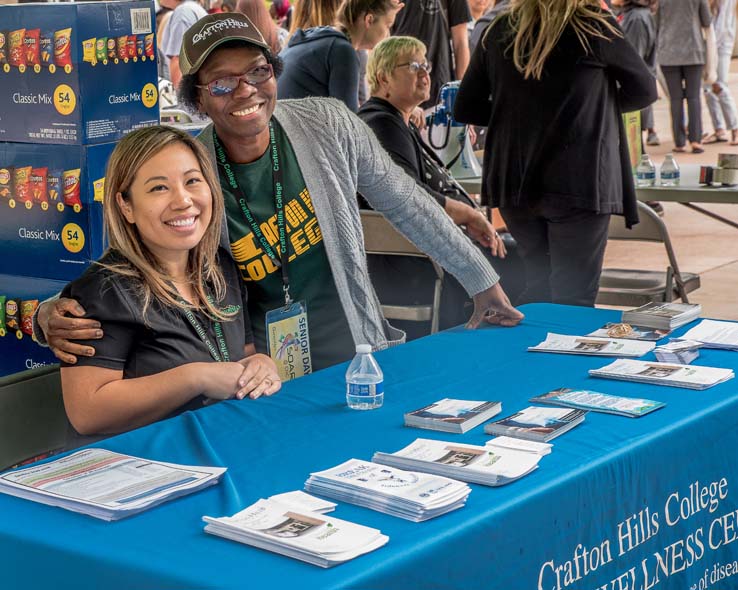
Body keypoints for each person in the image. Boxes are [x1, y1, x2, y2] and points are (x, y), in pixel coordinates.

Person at [36, 13, 523, 377]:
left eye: (257, 72)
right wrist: (48, 313)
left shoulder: (328, 123)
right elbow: (135, 259)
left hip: (356, 353)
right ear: (198, 98)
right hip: (258, 374)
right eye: (223, 83)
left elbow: (405, 201)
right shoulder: (190, 169)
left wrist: (481, 281)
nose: (245, 91)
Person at [59, 125, 281, 441]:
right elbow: (87, 412)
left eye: (192, 181)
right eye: (159, 188)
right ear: (126, 206)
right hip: (135, 467)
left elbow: (237, 356)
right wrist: (194, 378)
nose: (183, 201)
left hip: (217, 445)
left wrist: (259, 364)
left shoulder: (220, 267)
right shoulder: (104, 290)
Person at [454, 0, 656, 307]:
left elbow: (466, 106)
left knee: (536, 288)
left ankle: (529, 353)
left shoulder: (501, 30)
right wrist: (595, 108)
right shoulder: (592, 26)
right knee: (573, 298)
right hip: (579, 180)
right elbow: (644, 89)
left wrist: (516, 112)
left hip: (515, 181)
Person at [358, 35, 524, 334]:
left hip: (431, 255)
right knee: (528, 258)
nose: (425, 73)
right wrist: (470, 214)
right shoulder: (381, 123)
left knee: (521, 249)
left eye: (426, 64)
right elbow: (407, 194)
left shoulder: (395, 120)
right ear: (383, 77)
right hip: (418, 265)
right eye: (413, 66)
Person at [278, 0, 401, 112]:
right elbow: (349, 125)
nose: (388, 34)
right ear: (369, 20)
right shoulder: (342, 51)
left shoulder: (321, 38)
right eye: (388, 25)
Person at [391, 0, 472, 109]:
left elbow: (461, 43)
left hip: (439, 84)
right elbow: (381, 36)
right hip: (400, 85)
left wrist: (463, 95)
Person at [656, 0, 712, 153]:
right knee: (693, 97)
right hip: (693, 51)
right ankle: (696, 140)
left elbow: (657, 24)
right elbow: (707, 20)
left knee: (675, 99)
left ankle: (679, 142)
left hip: (668, 52)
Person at [613, 0, 660, 147]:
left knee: (633, 150)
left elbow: (633, 62)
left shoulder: (637, 18)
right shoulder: (629, 15)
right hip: (632, 93)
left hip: (632, 95)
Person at [703, 0, 738, 145]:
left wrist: (710, 47)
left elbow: (721, 26)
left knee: (719, 85)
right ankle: (719, 129)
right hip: (714, 44)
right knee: (707, 87)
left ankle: (735, 128)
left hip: (720, 44)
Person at [159, 0, 208, 87]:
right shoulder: (192, 9)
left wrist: (178, 99)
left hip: (186, 91)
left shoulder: (183, 13)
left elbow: (179, 62)